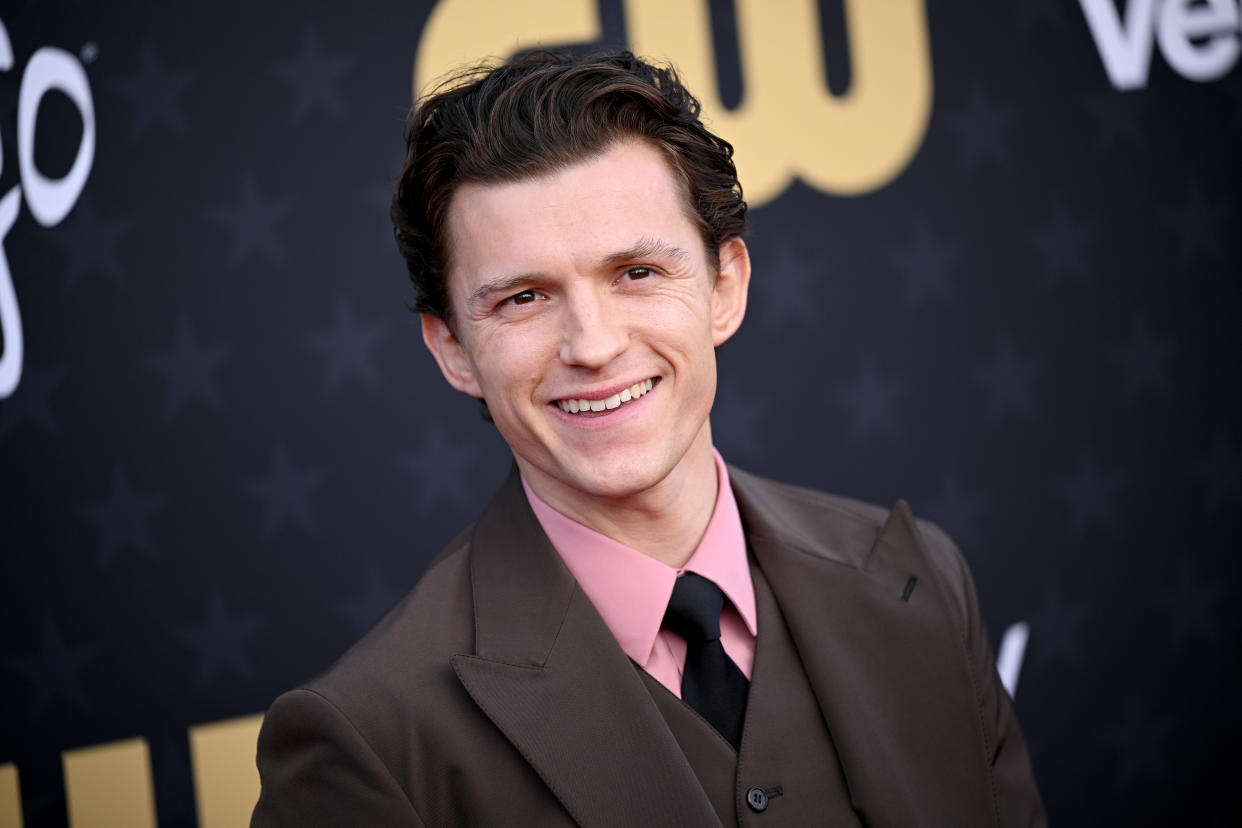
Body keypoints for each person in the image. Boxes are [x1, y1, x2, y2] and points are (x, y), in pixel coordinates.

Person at [251, 49, 1045, 826]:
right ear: (453, 348)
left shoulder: (923, 582)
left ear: (724, 286)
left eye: (636, 273)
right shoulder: (371, 741)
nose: (592, 345)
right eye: (524, 298)